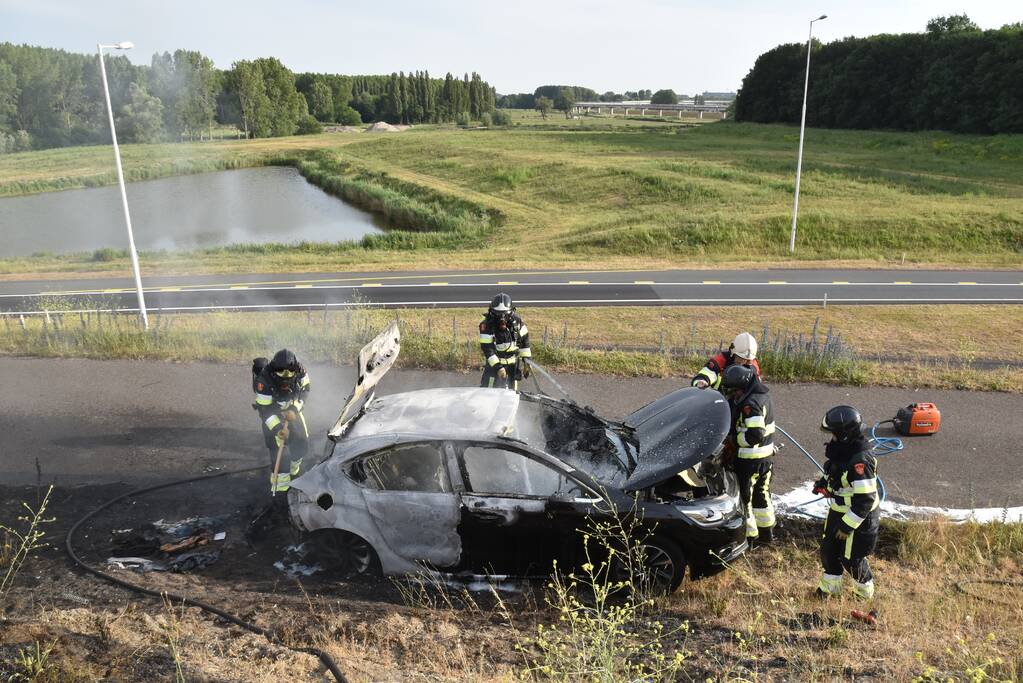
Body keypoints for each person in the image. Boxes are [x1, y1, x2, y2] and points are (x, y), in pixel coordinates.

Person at [815, 405, 880, 599]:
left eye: (834, 433)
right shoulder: (842, 450)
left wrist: (846, 526)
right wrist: (824, 484)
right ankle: (829, 590)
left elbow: (865, 501)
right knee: (829, 551)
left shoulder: (861, 461)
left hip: (859, 517)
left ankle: (864, 594)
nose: (832, 437)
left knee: (852, 559)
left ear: (844, 434)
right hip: (839, 509)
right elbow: (836, 472)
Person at [721, 363, 776, 544]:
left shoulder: (750, 404)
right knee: (762, 496)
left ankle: (750, 539)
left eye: (734, 391)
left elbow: (755, 434)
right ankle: (767, 536)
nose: (733, 395)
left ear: (742, 387)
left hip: (750, 461)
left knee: (746, 500)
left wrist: (733, 441)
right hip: (765, 459)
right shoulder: (763, 396)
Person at [252, 349, 311, 496]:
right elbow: (264, 411)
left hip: (292, 410)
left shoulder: (301, 371)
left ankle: (294, 473)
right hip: (273, 414)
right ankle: (280, 490)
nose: (285, 378)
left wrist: (294, 408)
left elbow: (305, 390)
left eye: (289, 374)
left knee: (301, 443)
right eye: (281, 374)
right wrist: (278, 429)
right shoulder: (263, 381)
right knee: (280, 453)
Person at [478, 293, 531, 390]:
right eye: (498, 314)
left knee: (511, 394)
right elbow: (488, 350)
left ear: (511, 312)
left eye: (505, 314)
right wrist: (498, 367)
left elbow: (525, 342)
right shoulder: (486, 326)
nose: (502, 318)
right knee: (487, 393)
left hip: (512, 366)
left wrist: (526, 362)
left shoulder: (517, 322)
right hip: (493, 367)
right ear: (492, 312)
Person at [692, 332, 761, 391]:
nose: (745, 362)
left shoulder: (753, 366)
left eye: (748, 360)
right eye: (742, 357)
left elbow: (757, 387)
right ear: (733, 352)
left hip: (741, 403)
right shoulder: (722, 359)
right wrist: (701, 382)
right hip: (718, 399)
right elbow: (707, 373)